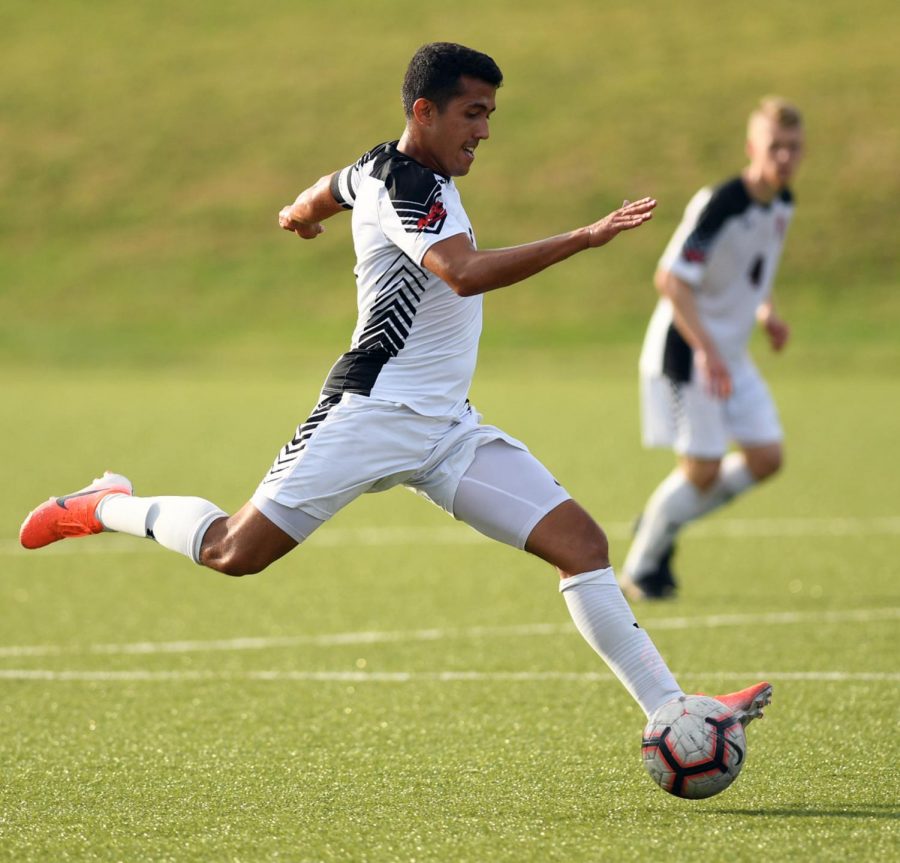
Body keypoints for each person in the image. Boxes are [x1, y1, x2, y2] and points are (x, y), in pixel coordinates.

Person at [20, 42, 771, 727]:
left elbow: (334, 184)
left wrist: (299, 212)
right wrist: (584, 236)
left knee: (582, 543)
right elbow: (464, 273)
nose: (484, 130)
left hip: (447, 429)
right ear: (425, 111)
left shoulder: (387, 169)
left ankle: (675, 711)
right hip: (368, 412)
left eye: (490, 115)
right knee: (232, 551)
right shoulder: (407, 183)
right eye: (473, 114)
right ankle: (105, 502)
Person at [621, 96, 805, 600]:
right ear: (752, 148)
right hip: (686, 352)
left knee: (766, 457)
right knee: (701, 471)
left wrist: (767, 314)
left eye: (793, 148)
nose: (784, 158)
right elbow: (670, 279)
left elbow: (754, 270)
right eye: (775, 147)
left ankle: (663, 519)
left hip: (729, 354)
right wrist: (706, 349)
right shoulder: (721, 204)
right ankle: (641, 568)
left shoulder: (782, 204)